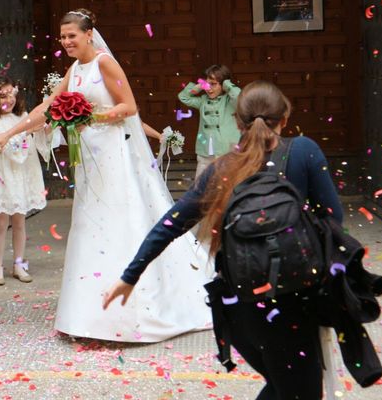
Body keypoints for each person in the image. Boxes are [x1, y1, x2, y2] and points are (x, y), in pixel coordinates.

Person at [103, 80, 344, 398]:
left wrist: (129, 276)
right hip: (293, 300)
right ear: (284, 118)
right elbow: (334, 219)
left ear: (237, 122)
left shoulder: (221, 168)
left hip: (238, 306)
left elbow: (170, 224)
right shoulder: (304, 150)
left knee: (284, 387)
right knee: (298, 391)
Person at [0, 8, 212, 342]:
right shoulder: (74, 69)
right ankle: (89, 314)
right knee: (91, 226)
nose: (66, 42)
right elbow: (47, 107)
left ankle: (130, 310)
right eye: (62, 37)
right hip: (90, 163)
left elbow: (129, 108)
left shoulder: (105, 63)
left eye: (72, 36)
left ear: (89, 34)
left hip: (114, 156)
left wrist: (89, 116)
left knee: (118, 223)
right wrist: (8, 135)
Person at [0, 77, 47, 286]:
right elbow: (8, 145)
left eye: (11, 93)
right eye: (3, 95)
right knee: (1, 222)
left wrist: (46, 128)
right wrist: (28, 130)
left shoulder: (24, 116)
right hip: (3, 174)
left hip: (22, 172)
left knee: (20, 221)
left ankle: (19, 264)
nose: (8, 99)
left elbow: (31, 142)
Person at [178, 65, 241, 178]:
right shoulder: (203, 101)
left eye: (213, 84)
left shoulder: (230, 100)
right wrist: (198, 87)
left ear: (223, 84)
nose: (209, 88)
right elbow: (183, 97)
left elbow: (241, 97)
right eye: (207, 84)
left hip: (227, 150)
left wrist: (227, 84)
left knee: (229, 186)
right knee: (201, 186)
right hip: (205, 149)